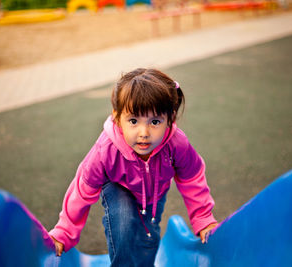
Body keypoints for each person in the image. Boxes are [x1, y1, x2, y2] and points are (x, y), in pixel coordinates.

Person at [49, 68, 218, 266]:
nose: (143, 132)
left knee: (148, 237)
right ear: (117, 118)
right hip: (117, 186)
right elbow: (82, 190)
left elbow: (192, 178)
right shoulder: (105, 150)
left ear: (170, 118)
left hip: (154, 194)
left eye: (155, 121)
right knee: (123, 222)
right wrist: (64, 232)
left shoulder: (177, 144)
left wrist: (203, 218)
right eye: (133, 121)